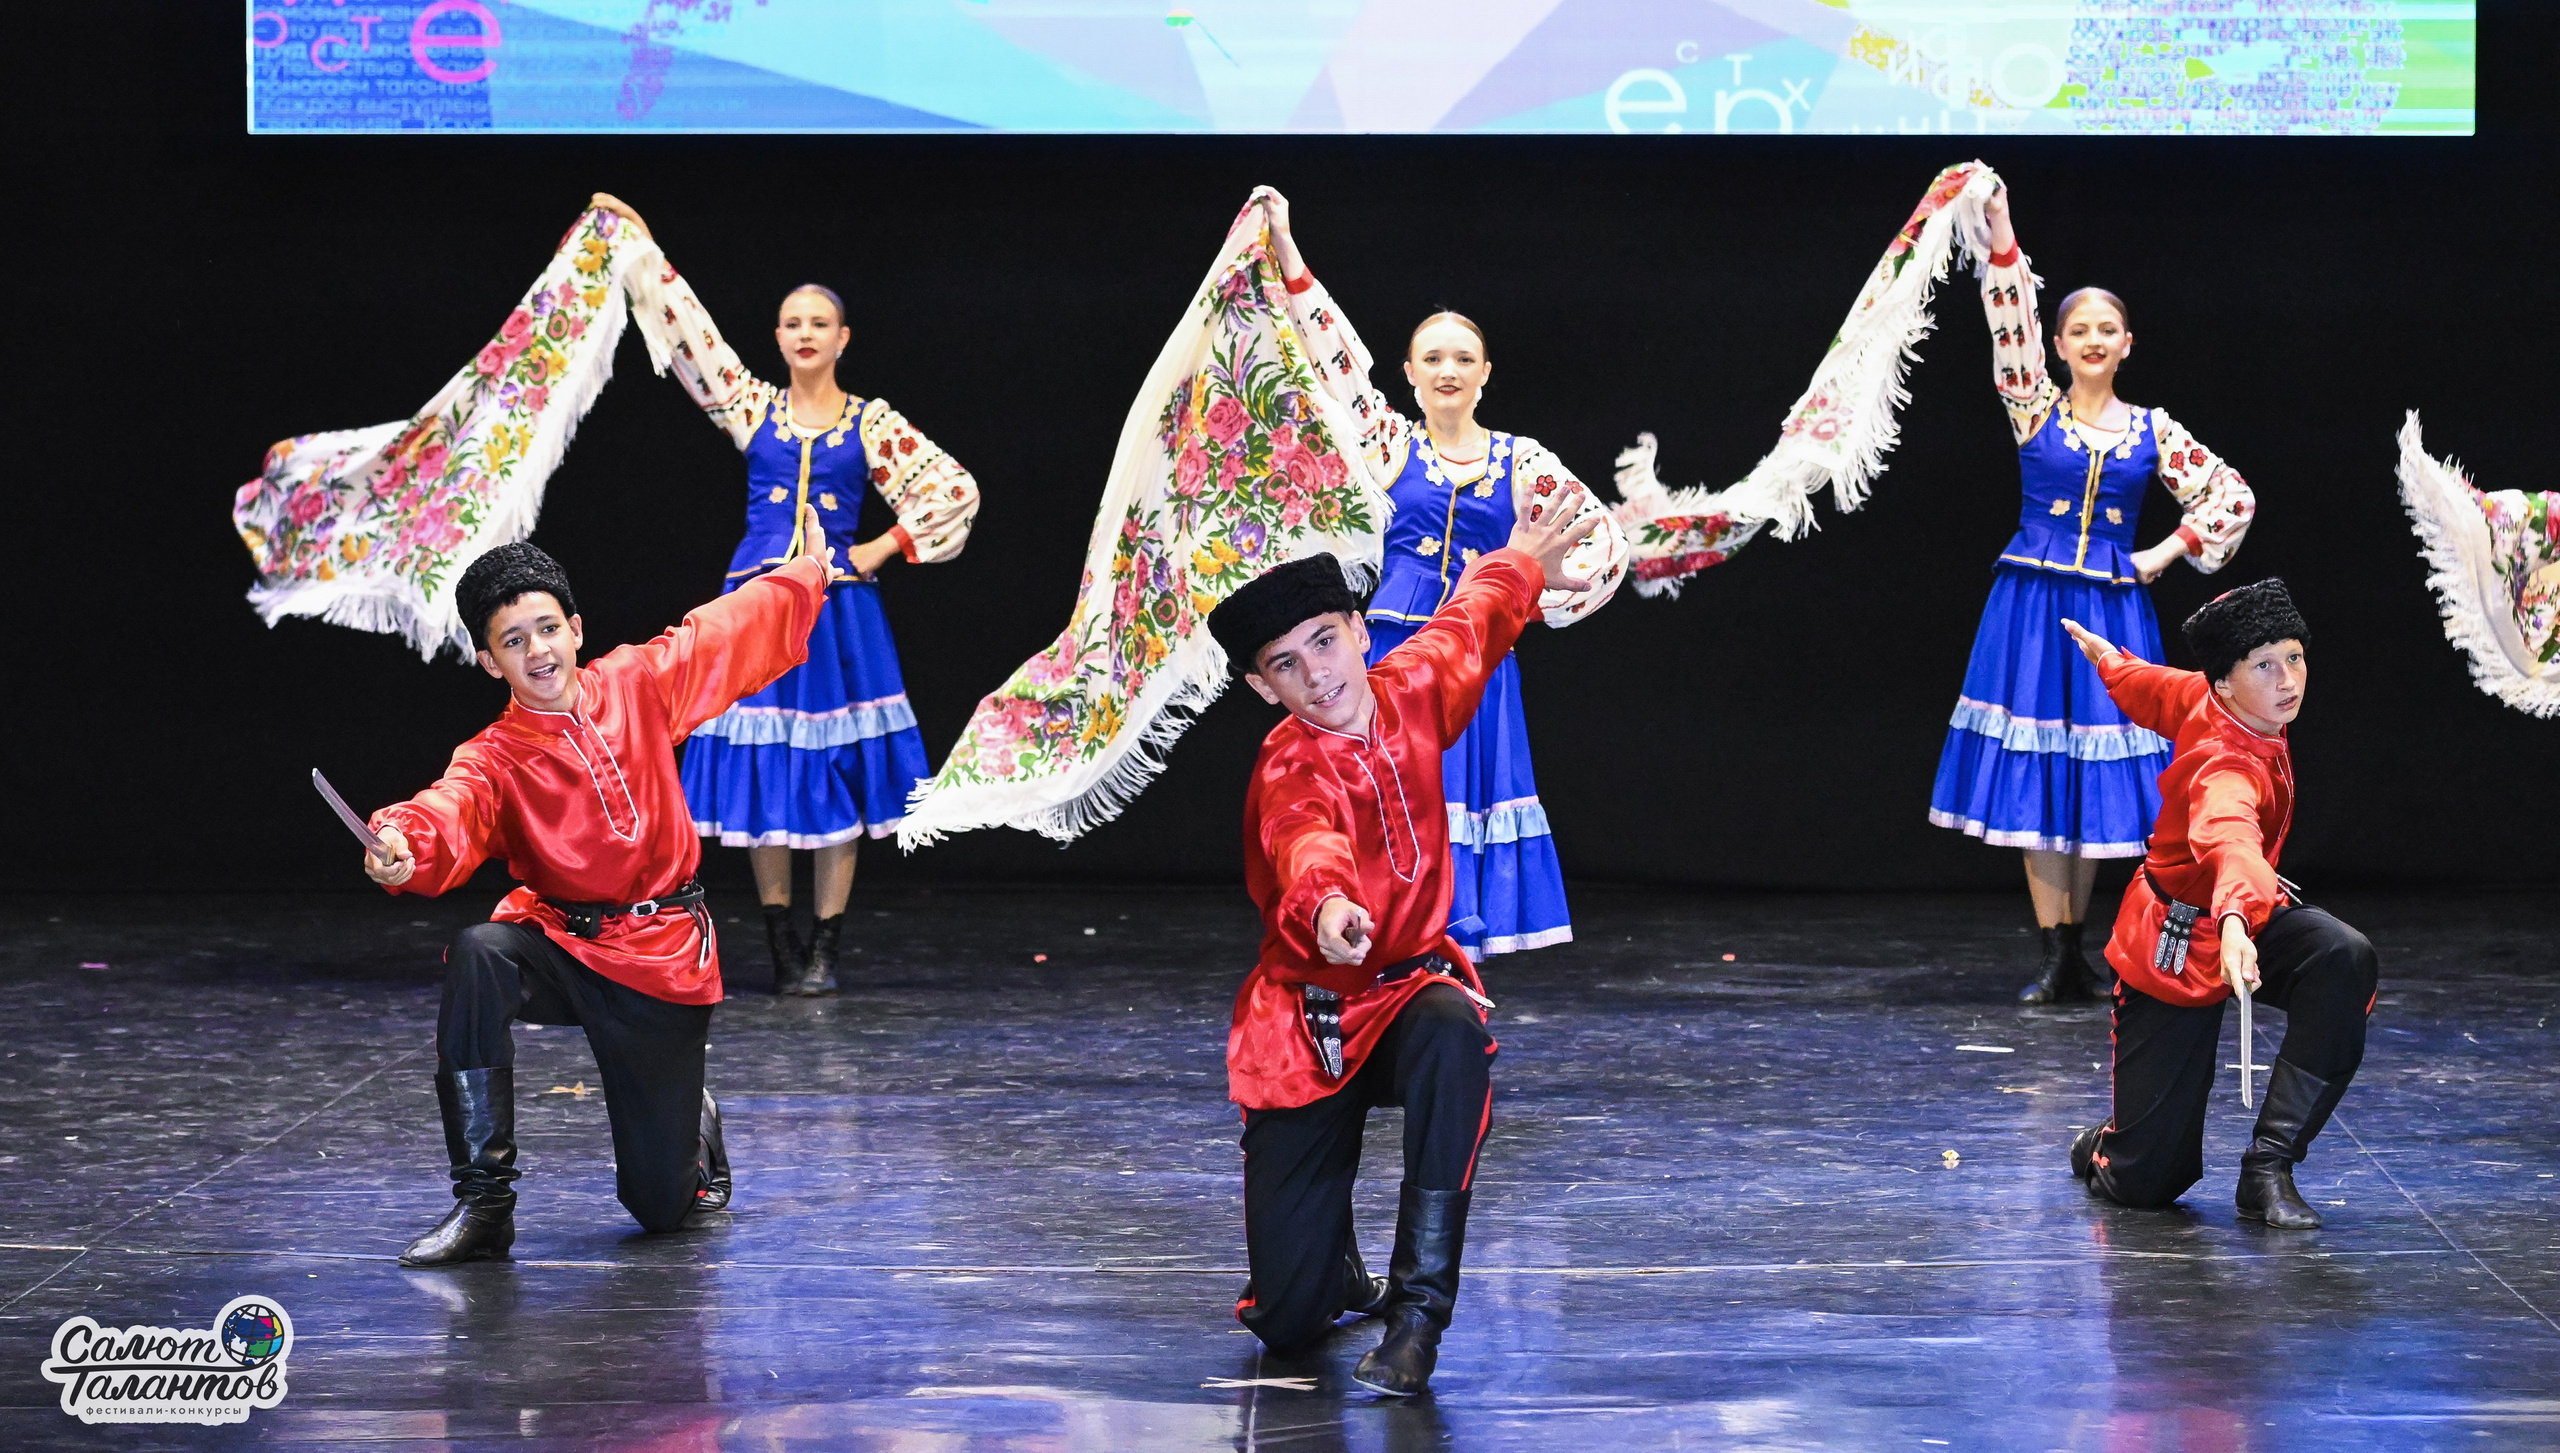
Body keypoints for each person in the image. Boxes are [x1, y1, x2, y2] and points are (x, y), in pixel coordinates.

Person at [1207, 481, 1599, 1396]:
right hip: (1310, 1027)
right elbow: (1302, 837)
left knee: (1455, 1031)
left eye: (1326, 642)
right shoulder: (1290, 760)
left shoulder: (1408, 689)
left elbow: (1469, 625)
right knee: (1292, 1324)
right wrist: (1328, 907)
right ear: (1264, 686)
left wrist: (1523, 564)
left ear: (1357, 627)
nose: (1319, 674)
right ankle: (1329, 1263)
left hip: (1406, 997)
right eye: (1287, 664)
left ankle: (1419, 1313)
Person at [363, 513, 836, 1265]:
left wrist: (806, 571)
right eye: (513, 641)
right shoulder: (495, 757)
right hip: (564, 945)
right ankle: (484, 1203)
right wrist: (404, 843)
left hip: (662, 958)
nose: (537, 651)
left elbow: (726, 631)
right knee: (482, 951)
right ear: (489, 662)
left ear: (575, 628)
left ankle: (691, 1129)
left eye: (546, 629)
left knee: (661, 1211)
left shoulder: (636, 683)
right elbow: (448, 808)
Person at [592, 193, 982, 995]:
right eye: (790, 322)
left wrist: (872, 549)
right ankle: (777, 936)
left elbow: (953, 490)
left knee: (834, 765)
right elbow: (690, 333)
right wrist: (638, 244)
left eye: (818, 323)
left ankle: (827, 946)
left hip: (838, 616)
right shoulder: (752, 408)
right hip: (759, 608)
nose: (803, 333)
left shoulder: (872, 422)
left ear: (841, 338)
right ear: (777, 337)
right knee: (767, 764)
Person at [1257, 197, 1627, 963]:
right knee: (1394, 793)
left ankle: (1454, 955)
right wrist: (1286, 246)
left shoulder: (1524, 461)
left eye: (1463, 358)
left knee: (1462, 796)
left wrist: (1532, 601)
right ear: (1409, 375)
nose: (1448, 369)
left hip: (1474, 665)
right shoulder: (1390, 443)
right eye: (1433, 358)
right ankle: (1380, 939)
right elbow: (1329, 354)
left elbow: (1601, 544)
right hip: (1392, 654)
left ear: (1486, 373)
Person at [1928, 185, 2258, 1006]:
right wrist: (1999, 230)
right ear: (2060, 345)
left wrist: (2165, 550)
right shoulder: (2032, 407)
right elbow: (2007, 318)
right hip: (2035, 609)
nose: (2094, 340)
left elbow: (2232, 497)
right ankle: (2057, 950)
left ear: (2127, 343)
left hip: (2113, 608)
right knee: (2043, 772)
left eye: (2107, 329)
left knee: (2097, 775)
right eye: (2079, 330)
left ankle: (2082, 944)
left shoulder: (2153, 430)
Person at [2059, 580, 2378, 1229]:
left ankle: (2268, 1167)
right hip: (2175, 944)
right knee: (2151, 1183)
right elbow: (2229, 837)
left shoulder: (2216, 700)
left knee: (2341, 956)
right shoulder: (2225, 762)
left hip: (2243, 919)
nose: (2289, 679)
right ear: (2227, 683)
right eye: (2266, 665)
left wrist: (2107, 661)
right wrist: (2234, 920)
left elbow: (2156, 688)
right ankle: (2106, 1144)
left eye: (2295, 656)